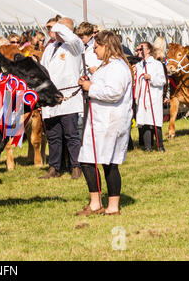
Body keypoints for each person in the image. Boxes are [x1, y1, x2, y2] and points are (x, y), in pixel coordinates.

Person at [76, 30, 133, 216]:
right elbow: (101, 85)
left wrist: (91, 87)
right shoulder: (105, 66)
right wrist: (88, 82)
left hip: (111, 121)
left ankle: (113, 206)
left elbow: (114, 92)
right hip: (99, 121)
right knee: (87, 160)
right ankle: (95, 203)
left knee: (109, 163)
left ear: (106, 46)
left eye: (96, 47)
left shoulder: (118, 67)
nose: (94, 51)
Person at [39, 18, 83, 180]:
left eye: (57, 29)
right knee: (53, 134)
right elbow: (43, 68)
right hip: (50, 96)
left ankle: (76, 166)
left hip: (68, 97)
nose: (53, 31)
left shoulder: (75, 45)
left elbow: (70, 36)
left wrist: (57, 25)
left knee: (71, 134)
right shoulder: (50, 47)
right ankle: (54, 167)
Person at [134, 42, 166, 152]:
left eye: (140, 49)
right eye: (137, 49)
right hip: (142, 97)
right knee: (145, 122)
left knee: (155, 122)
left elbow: (162, 80)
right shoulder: (138, 65)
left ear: (147, 50)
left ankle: (160, 146)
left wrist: (151, 78)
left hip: (154, 97)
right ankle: (148, 147)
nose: (138, 51)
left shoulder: (157, 64)